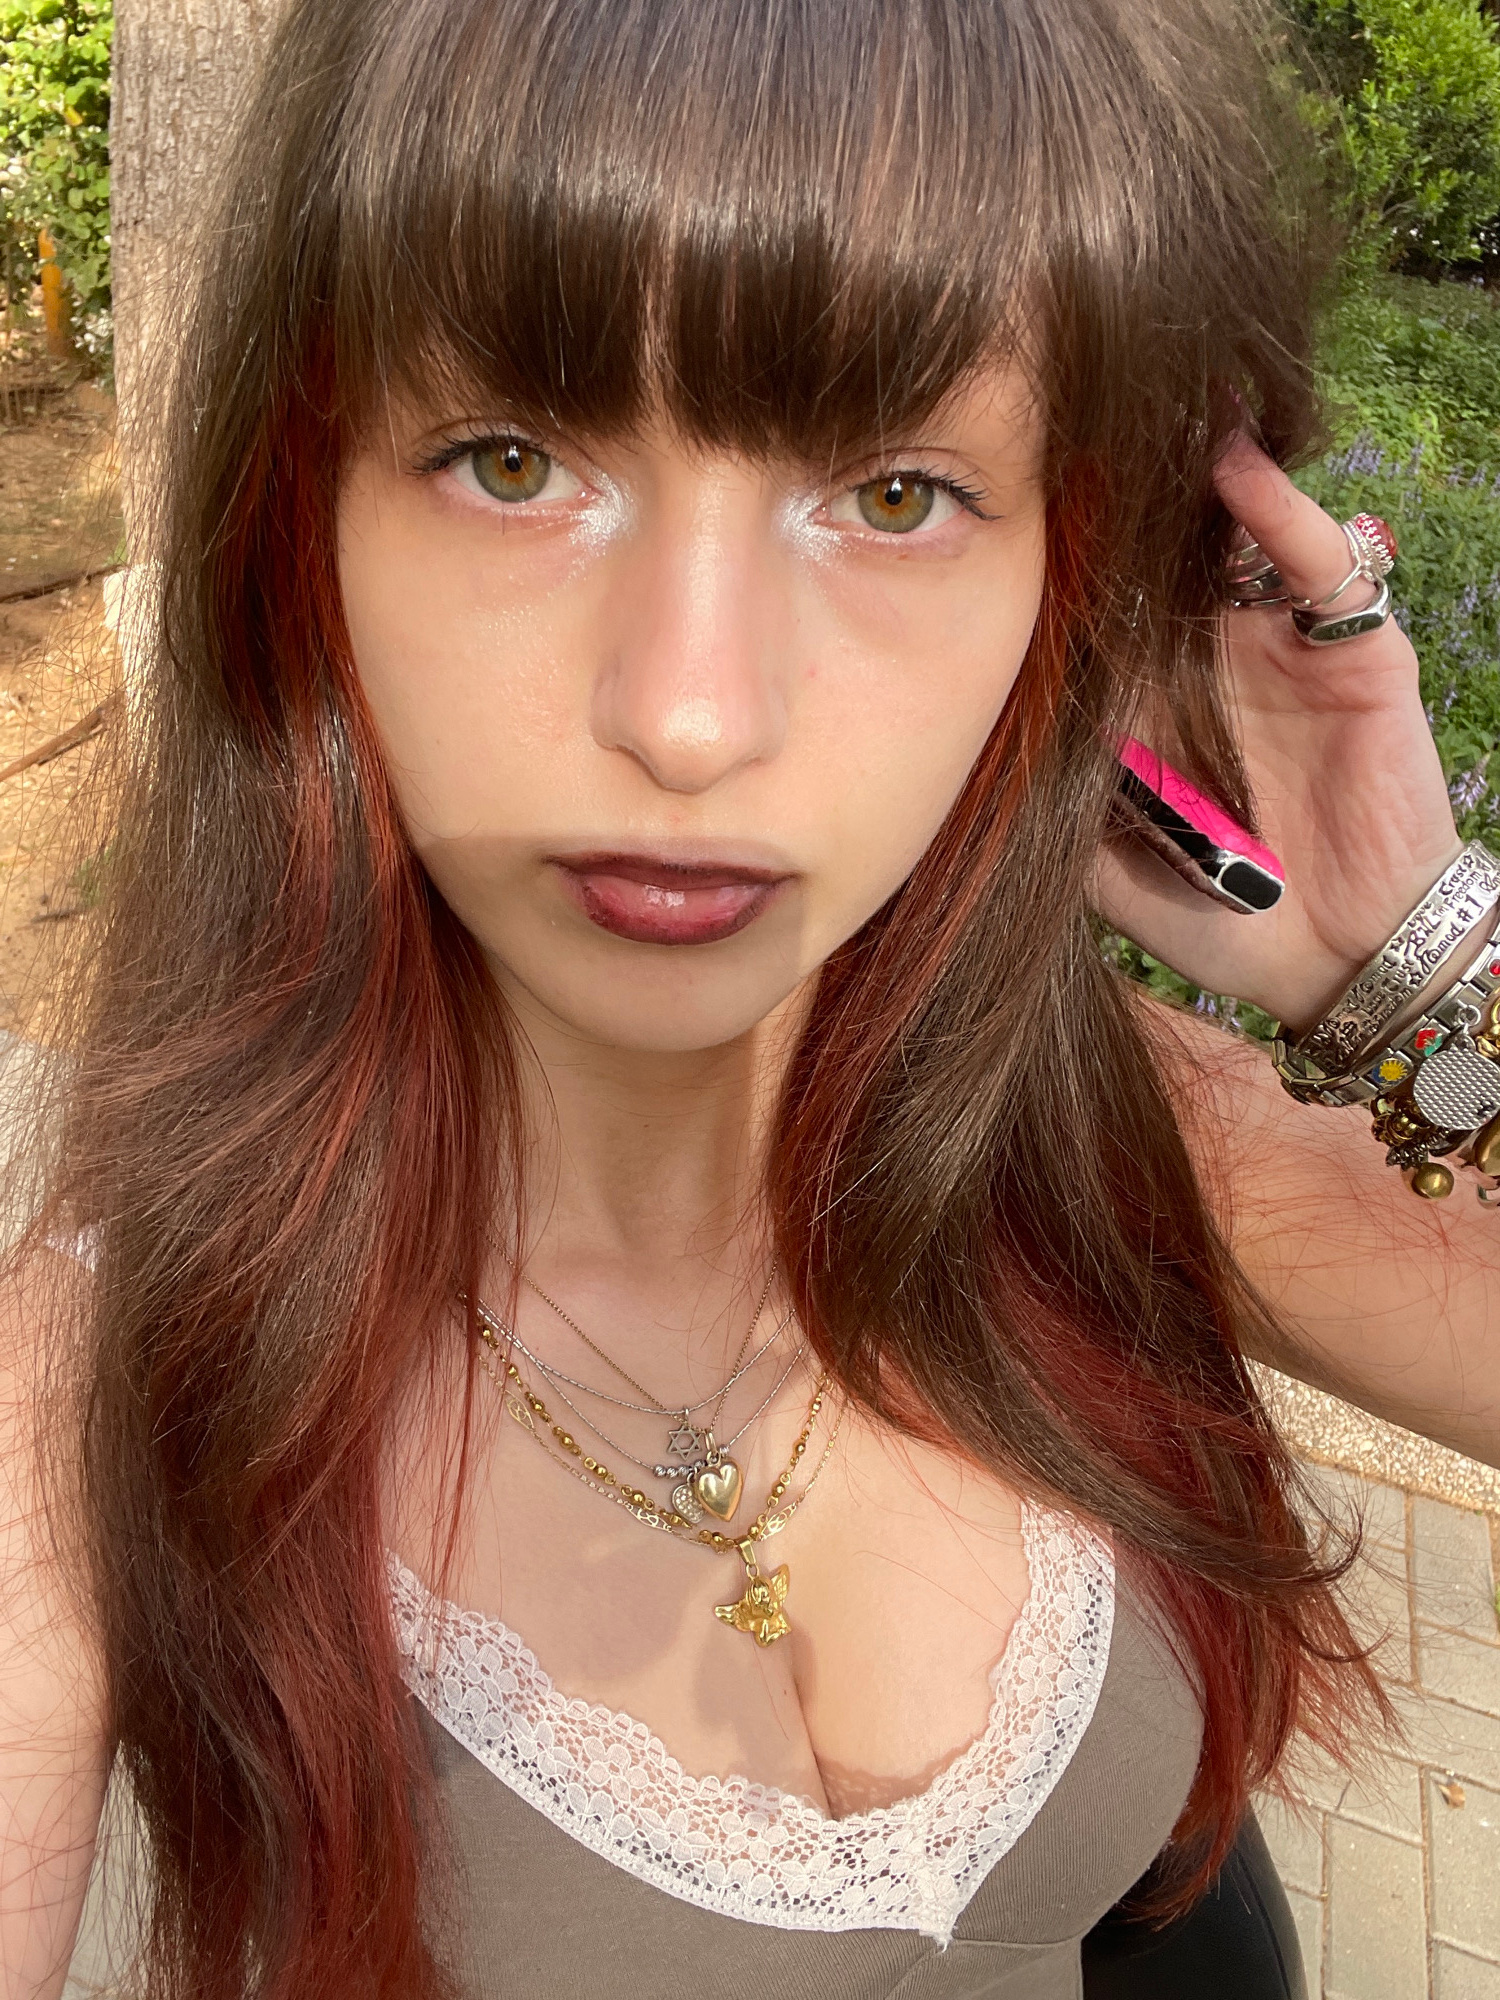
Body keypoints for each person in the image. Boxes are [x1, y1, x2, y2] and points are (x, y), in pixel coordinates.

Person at [3, 0, 1497, 1995]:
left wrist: (1407, 964)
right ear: (305, 524)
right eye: (514, 462)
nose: (691, 717)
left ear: (1070, 582)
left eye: (894, 496)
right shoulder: (104, 1387)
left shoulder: (1086, 1118)